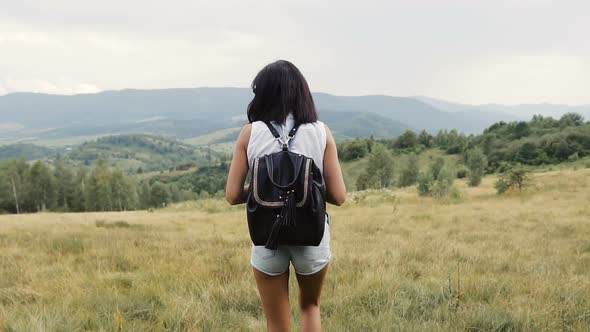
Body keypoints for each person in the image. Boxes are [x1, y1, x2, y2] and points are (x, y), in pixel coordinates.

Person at [225, 60, 346, 332]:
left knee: (276, 324)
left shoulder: (250, 133)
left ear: (264, 94)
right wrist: (305, 190)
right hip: (312, 237)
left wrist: (263, 191)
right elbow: (339, 196)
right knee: (310, 307)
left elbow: (232, 195)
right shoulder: (320, 132)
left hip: (267, 238)